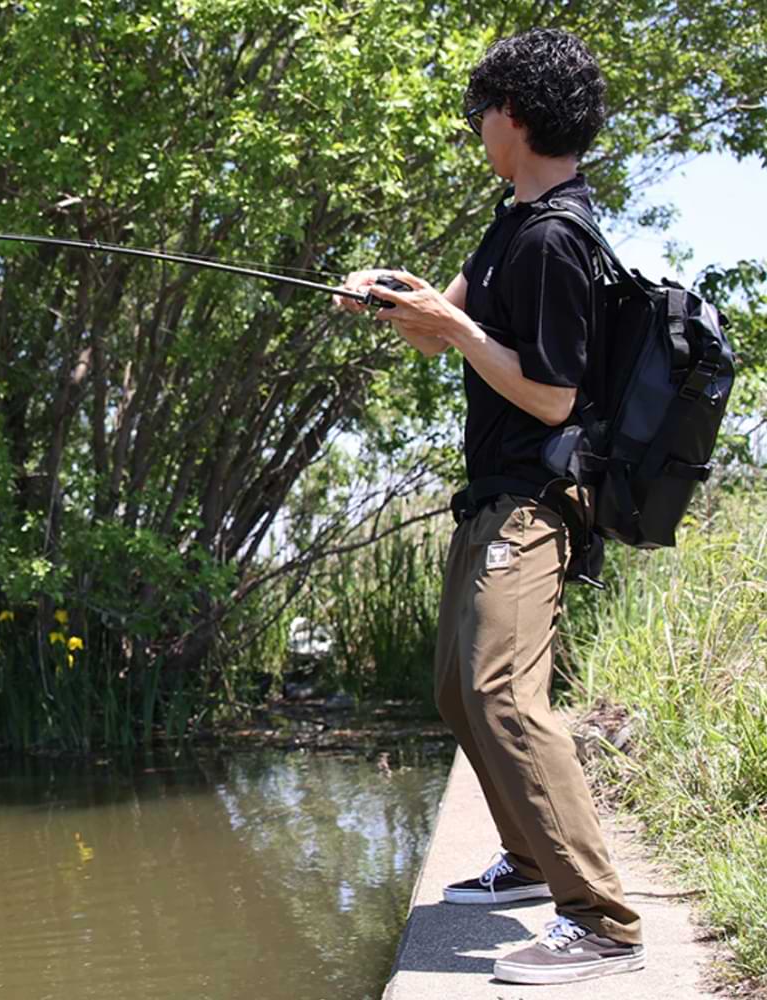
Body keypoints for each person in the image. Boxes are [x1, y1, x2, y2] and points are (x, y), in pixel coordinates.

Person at [334, 27, 644, 986]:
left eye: (481, 111)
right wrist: (390, 297)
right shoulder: (513, 220)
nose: (476, 127)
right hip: (493, 495)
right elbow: (447, 326)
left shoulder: (556, 237)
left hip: (538, 499)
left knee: (506, 694)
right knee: (455, 690)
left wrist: (456, 325)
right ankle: (527, 860)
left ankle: (599, 920)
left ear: (510, 114)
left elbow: (552, 394)